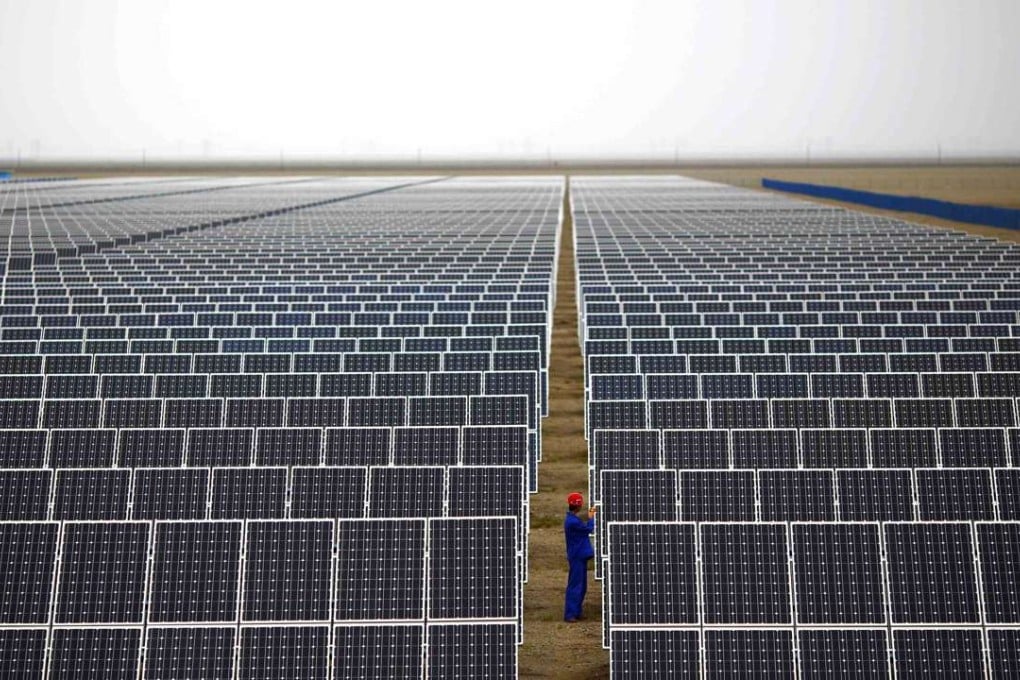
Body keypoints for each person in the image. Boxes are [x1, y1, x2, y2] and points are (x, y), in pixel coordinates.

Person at [563, 491, 597, 623]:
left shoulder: (573, 519)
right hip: (577, 556)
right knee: (576, 585)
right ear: (579, 505)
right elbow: (588, 529)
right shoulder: (572, 522)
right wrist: (592, 517)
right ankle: (570, 614)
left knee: (581, 586)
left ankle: (577, 611)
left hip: (579, 556)